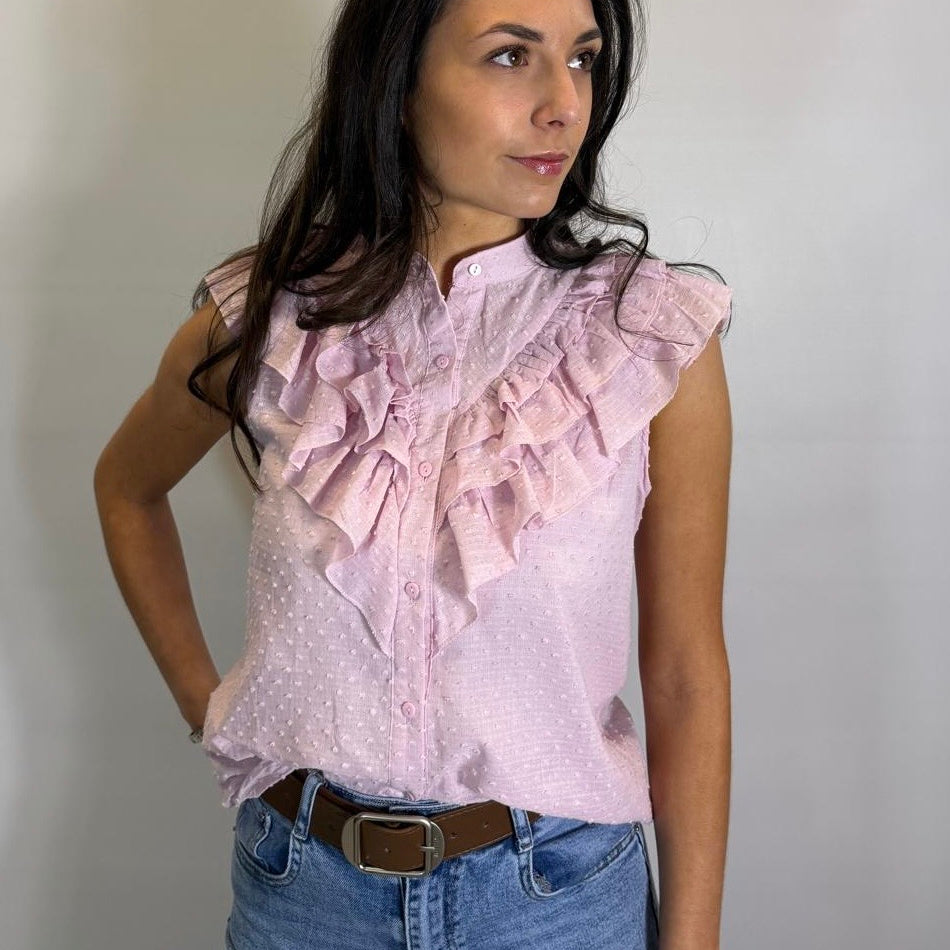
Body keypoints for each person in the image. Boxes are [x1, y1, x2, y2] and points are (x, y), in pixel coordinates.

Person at [94, 0, 732, 947]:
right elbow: (127, 490)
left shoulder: (643, 339)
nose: (566, 103)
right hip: (301, 893)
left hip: (557, 905)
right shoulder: (271, 318)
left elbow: (683, 674)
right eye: (512, 55)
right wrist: (214, 711)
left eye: (585, 58)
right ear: (395, 84)